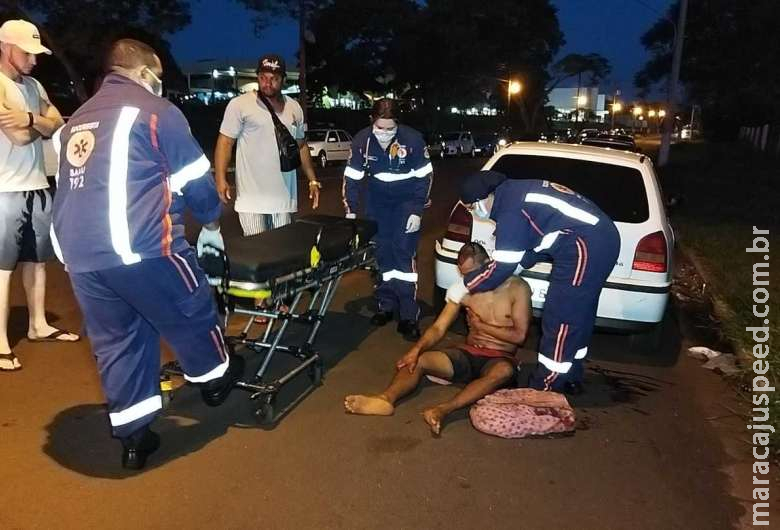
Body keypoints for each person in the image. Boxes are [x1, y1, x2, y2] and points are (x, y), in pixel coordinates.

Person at [51, 38, 243, 470]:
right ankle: (214, 377)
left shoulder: (75, 121)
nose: (159, 84)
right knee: (191, 306)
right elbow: (196, 182)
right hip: (141, 246)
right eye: (156, 76)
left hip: (81, 256)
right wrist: (212, 221)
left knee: (119, 341)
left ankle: (135, 437)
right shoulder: (158, 113)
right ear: (140, 73)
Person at [451, 170, 620, 394]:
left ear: (487, 196)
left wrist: (464, 286)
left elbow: (501, 266)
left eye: (473, 207)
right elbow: (541, 237)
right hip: (596, 239)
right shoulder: (515, 193)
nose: (476, 213)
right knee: (580, 314)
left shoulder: (511, 210)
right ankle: (570, 375)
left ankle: (544, 387)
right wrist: (522, 263)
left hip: (585, 245)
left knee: (562, 315)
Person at [345, 242, 531, 435]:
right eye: (464, 273)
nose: (469, 279)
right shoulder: (463, 289)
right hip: (469, 353)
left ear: (488, 264)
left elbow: (519, 336)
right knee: (419, 361)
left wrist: (482, 326)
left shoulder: (517, 287)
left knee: (503, 371)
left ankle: (443, 409)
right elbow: (438, 327)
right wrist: (416, 350)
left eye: (473, 273)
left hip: (499, 357)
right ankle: (385, 399)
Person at [0, 19, 78, 372]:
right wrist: (38, 123)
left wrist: (28, 118)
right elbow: (17, 138)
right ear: (6, 47)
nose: (33, 60)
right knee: (3, 268)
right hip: (5, 189)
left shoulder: (32, 85)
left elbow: (56, 123)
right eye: (27, 53)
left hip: (36, 184)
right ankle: (0, 341)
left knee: (37, 260)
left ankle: (37, 324)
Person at [342, 98, 432, 340]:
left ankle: (409, 315)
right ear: (372, 122)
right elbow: (352, 177)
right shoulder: (363, 140)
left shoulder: (412, 140)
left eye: (389, 129)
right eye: (380, 128)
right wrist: (351, 211)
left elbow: (425, 177)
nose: (384, 133)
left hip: (406, 203)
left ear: (397, 125)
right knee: (381, 255)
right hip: (377, 204)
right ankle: (385, 305)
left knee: (403, 255)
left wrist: (416, 210)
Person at [214, 54, 320, 236]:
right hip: (251, 201)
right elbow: (225, 141)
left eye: (274, 79)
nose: (267, 83)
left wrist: (312, 179)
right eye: (263, 78)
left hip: (283, 199)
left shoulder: (294, 108)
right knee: (257, 254)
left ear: (283, 80)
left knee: (281, 253)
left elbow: (301, 146)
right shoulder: (240, 105)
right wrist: (220, 178)